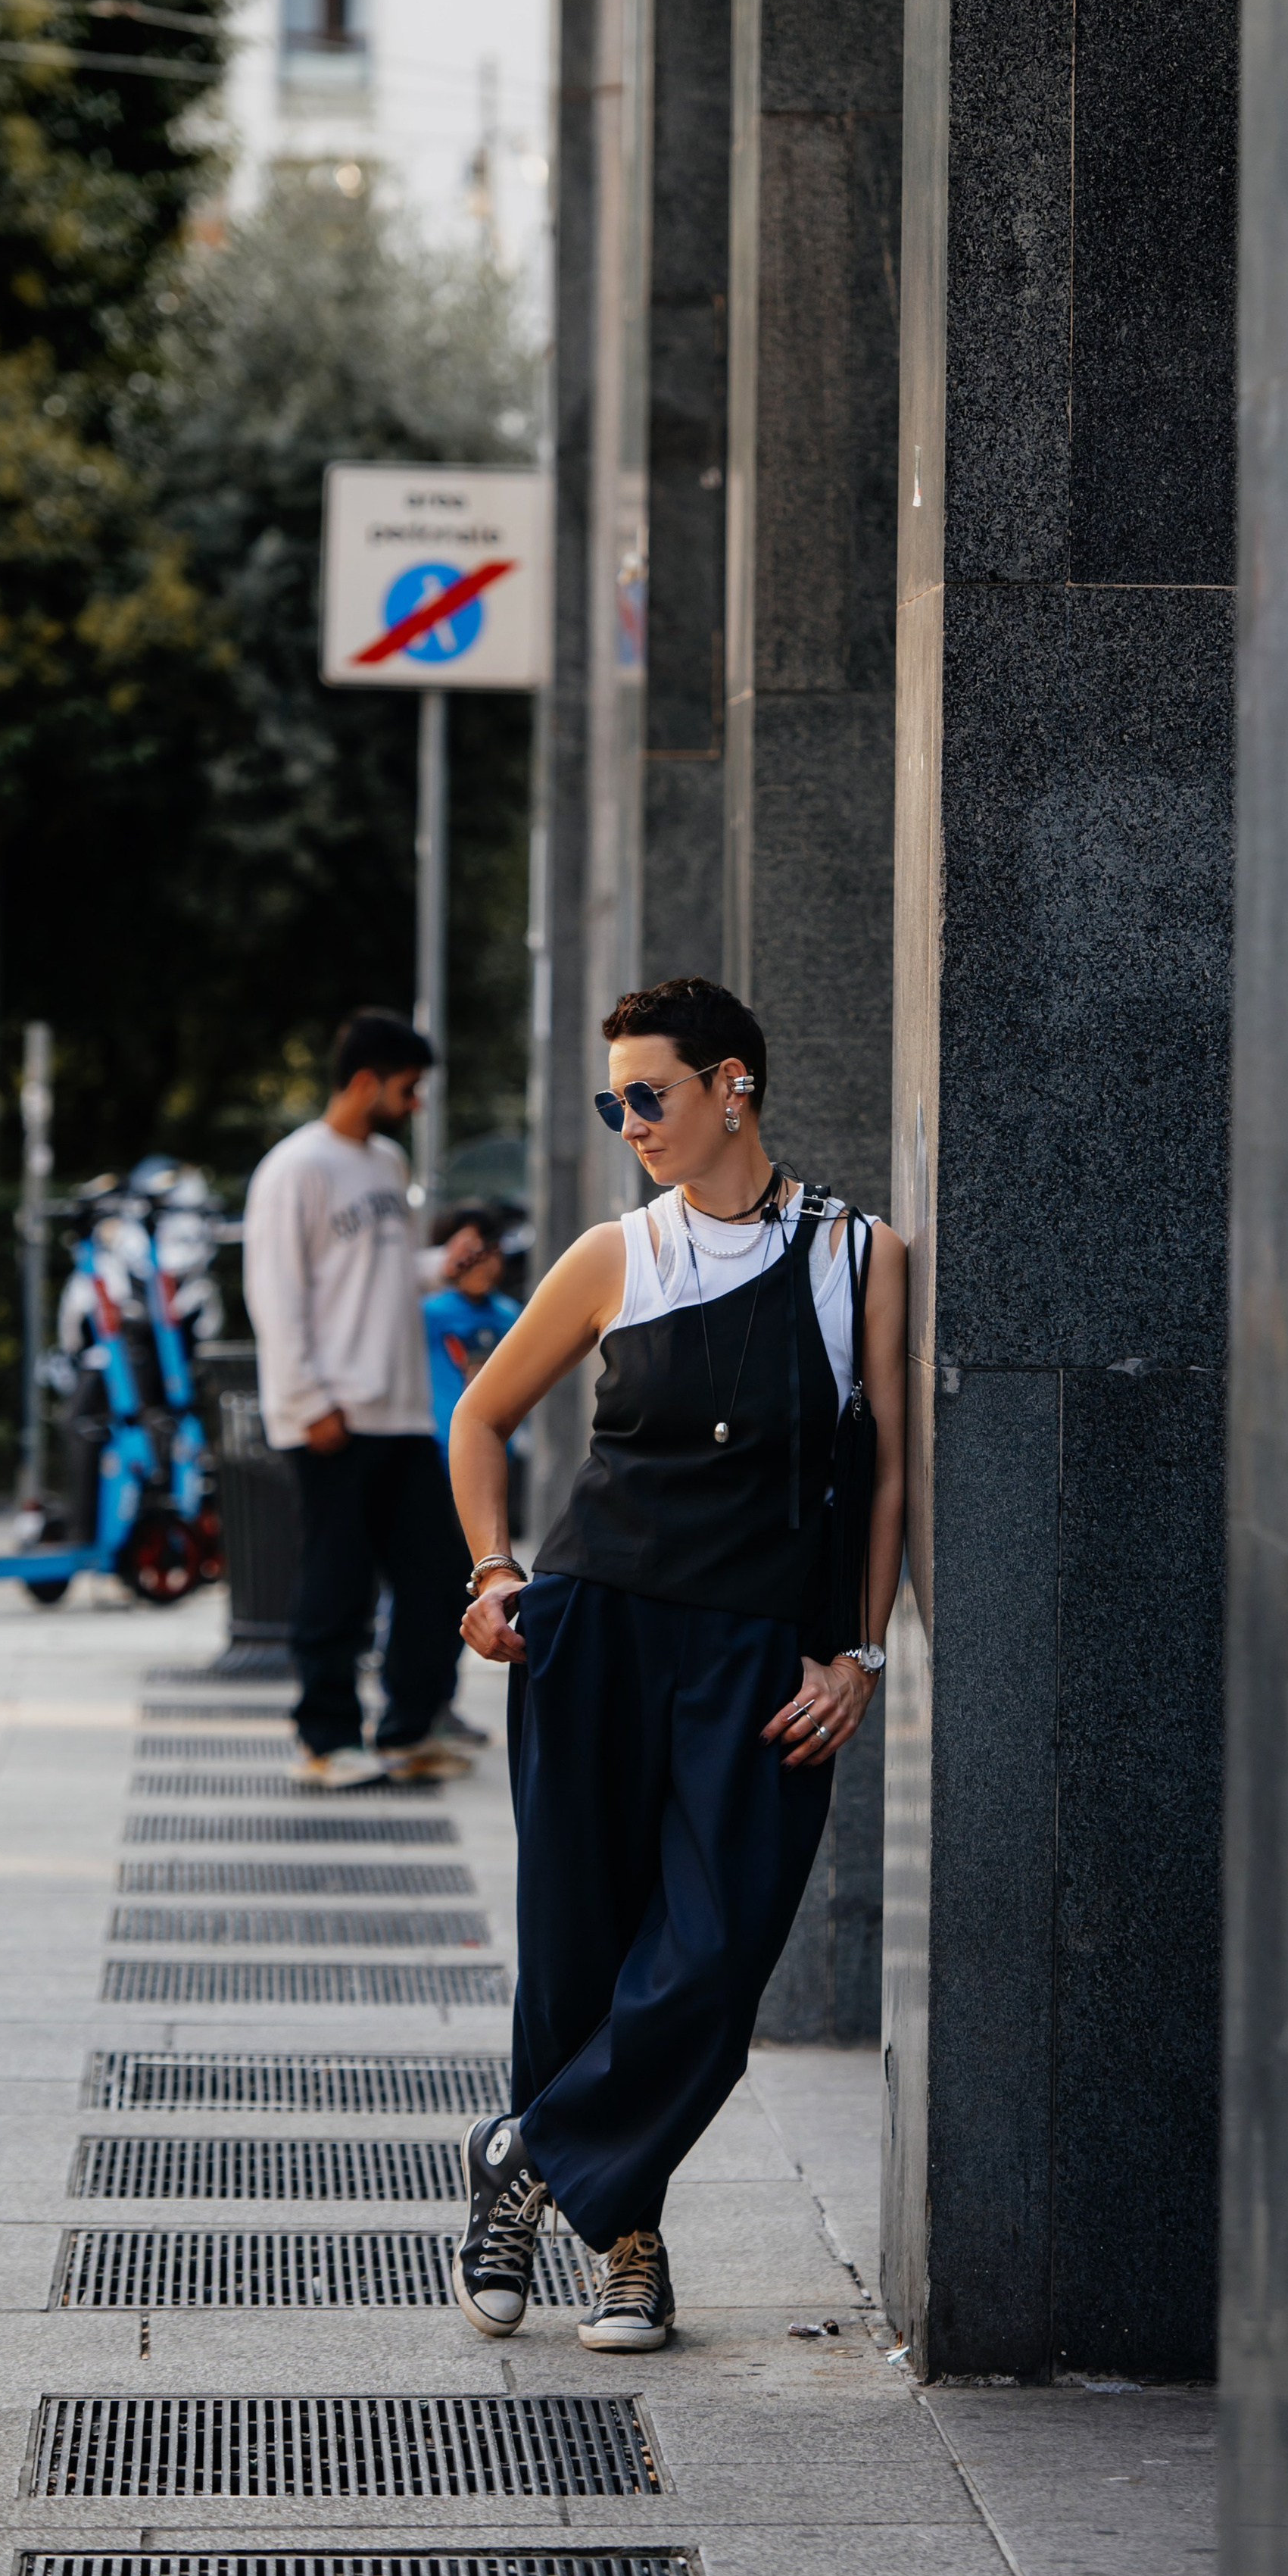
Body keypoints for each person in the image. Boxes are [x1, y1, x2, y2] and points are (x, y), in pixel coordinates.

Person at [444, 975, 907, 2350]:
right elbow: (478, 1421)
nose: (629, 1119)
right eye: (615, 1098)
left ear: (733, 1086)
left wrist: (861, 1649)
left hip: (764, 1652)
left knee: (714, 1952)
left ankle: (523, 2151)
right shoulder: (613, 1253)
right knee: (578, 1941)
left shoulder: (855, 1251)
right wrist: (491, 1571)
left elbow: (880, 1479)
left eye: (648, 1093)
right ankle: (623, 2238)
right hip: (595, 1627)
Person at [242, 1008, 472, 1788]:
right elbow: (275, 1293)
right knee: (335, 1583)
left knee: (437, 1574)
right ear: (367, 1080)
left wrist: (445, 1265)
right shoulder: (294, 1168)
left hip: (401, 1411)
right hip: (332, 1414)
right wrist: (308, 1399)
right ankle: (326, 1738)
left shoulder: (382, 1165)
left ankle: (408, 1730)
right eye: (409, 1089)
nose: (416, 1105)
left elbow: (387, 1270)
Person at [422, 1202, 522, 1463]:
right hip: (439, 1451)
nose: (481, 1264)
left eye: (489, 1251)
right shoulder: (430, 1312)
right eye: (470, 1253)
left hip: (498, 1449)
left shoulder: (510, 1315)